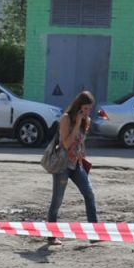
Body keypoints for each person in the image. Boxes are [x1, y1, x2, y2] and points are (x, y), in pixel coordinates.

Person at [45, 90, 99, 246]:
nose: (88, 112)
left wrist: (84, 157)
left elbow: (81, 142)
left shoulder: (86, 121)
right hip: (63, 164)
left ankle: (95, 233)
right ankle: (51, 236)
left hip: (77, 165)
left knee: (89, 194)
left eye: (90, 109)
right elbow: (67, 144)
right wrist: (76, 124)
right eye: (85, 108)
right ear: (78, 106)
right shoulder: (66, 119)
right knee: (57, 200)